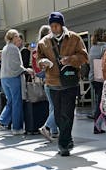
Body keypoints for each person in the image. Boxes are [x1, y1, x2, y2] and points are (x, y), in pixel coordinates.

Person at [37, 12, 88, 156]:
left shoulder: (74, 38)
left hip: (70, 82)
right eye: (51, 26)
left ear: (62, 25)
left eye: (56, 25)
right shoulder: (44, 42)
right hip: (52, 83)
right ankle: (68, 138)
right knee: (58, 115)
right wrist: (43, 62)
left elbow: (84, 57)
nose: (54, 28)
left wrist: (70, 59)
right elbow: (38, 59)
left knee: (67, 113)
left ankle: (63, 144)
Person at [0, 29, 33, 135]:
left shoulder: (5, 48)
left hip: (4, 78)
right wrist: (26, 70)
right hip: (13, 78)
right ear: (12, 37)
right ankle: (17, 128)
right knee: (17, 103)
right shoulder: (14, 48)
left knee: (10, 102)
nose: (18, 37)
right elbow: (15, 65)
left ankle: (1, 122)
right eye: (16, 36)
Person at [36, 25, 59, 141]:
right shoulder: (49, 46)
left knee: (52, 106)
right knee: (59, 106)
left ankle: (54, 131)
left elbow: (37, 68)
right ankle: (47, 126)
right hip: (54, 80)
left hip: (46, 82)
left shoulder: (39, 48)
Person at [88, 28, 106, 134]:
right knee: (103, 102)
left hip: (94, 78)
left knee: (103, 100)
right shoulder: (104, 47)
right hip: (102, 78)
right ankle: (97, 127)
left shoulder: (92, 48)